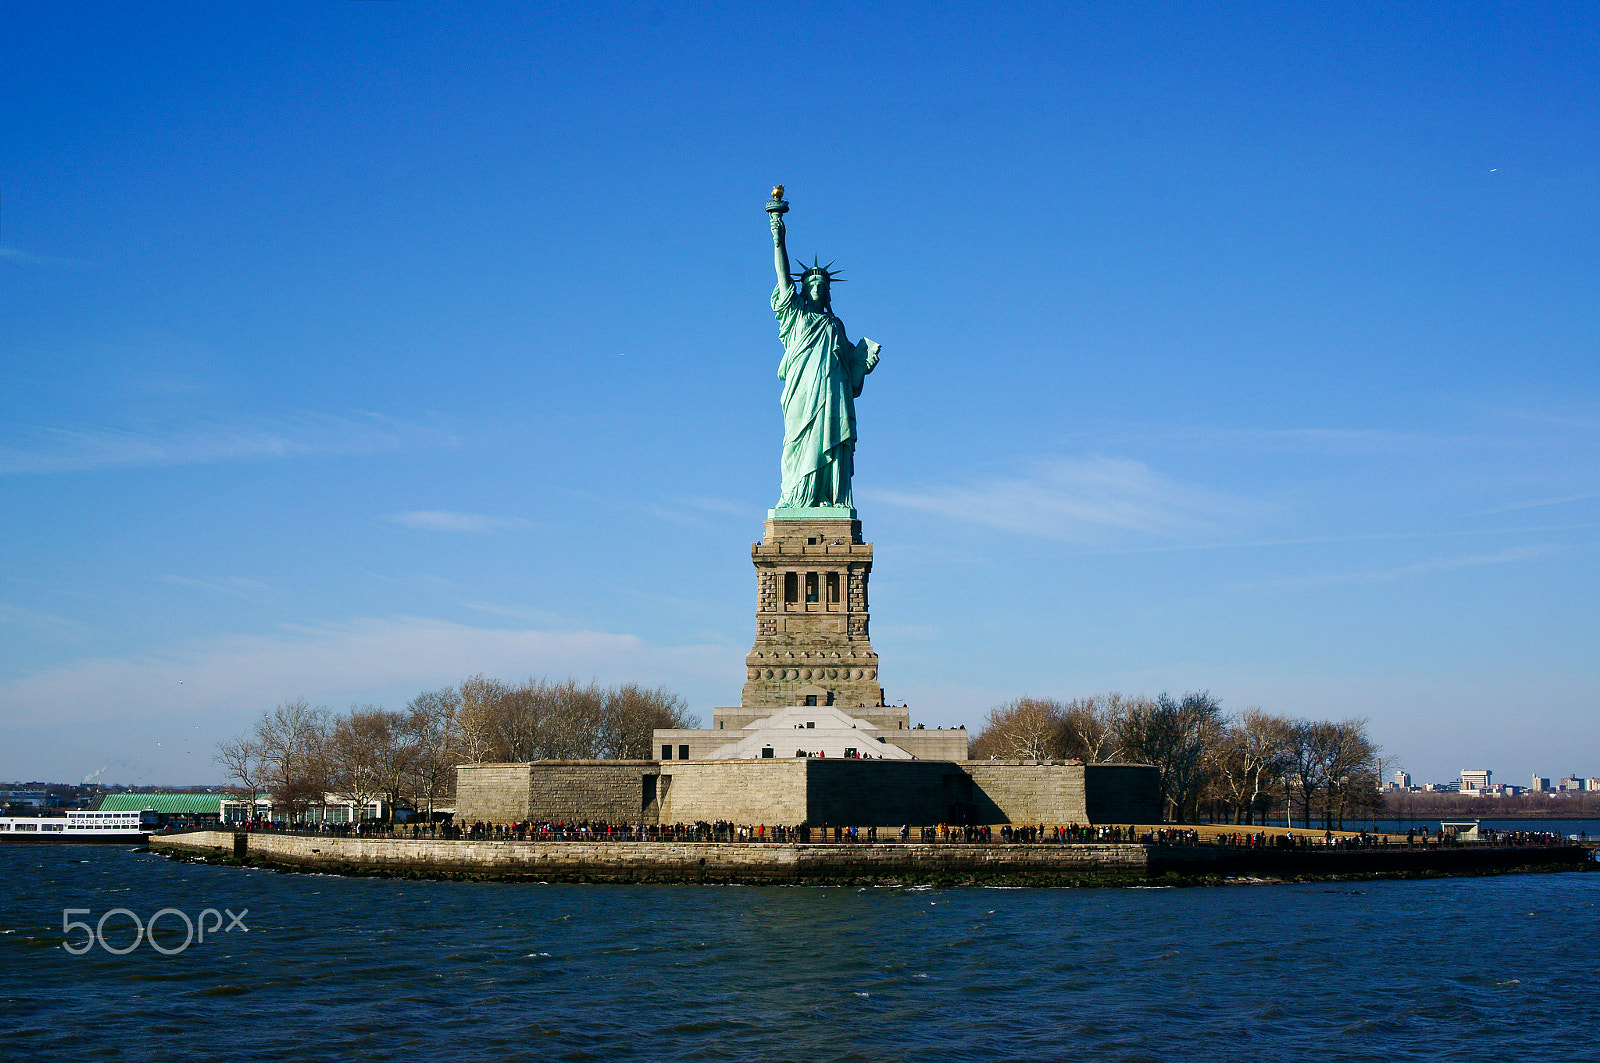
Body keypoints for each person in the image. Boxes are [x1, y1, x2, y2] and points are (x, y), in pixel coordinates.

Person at [768, 207, 880, 510]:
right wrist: (779, 239)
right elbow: (782, 279)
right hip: (802, 394)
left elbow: (850, 371)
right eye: (812, 285)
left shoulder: (835, 325)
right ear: (804, 290)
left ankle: (830, 497)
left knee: (830, 440)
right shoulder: (795, 317)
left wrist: (863, 363)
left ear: (828, 292)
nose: (817, 288)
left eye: (823, 286)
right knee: (797, 442)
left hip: (832, 394)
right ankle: (796, 498)